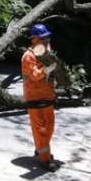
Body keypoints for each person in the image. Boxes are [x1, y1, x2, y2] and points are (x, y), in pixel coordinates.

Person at [22, 23, 61, 172]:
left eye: (47, 37)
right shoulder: (28, 56)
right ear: (34, 39)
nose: (46, 41)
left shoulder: (45, 52)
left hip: (48, 96)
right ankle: (44, 159)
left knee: (49, 128)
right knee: (41, 130)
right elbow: (36, 75)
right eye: (43, 38)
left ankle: (40, 149)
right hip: (35, 98)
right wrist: (47, 69)